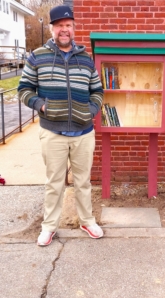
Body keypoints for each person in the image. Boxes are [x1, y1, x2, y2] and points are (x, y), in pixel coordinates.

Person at [18, 5, 104, 246]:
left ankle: (87, 221)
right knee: (54, 182)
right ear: (52, 28)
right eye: (59, 26)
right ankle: (49, 226)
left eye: (68, 25)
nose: (64, 30)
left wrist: (92, 110)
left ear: (73, 29)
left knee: (83, 181)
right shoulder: (37, 56)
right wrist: (42, 106)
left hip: (83, 133)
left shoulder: (86, 59)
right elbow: (24, 90)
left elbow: (97, 91)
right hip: (52, 132)